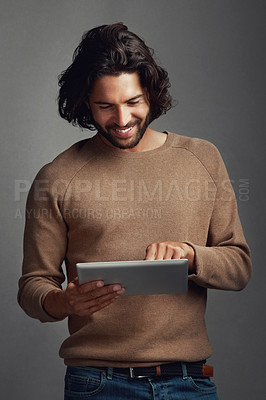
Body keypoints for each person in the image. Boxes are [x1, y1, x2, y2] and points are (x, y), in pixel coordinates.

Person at [18, 23, 252, 400]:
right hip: (95, 383)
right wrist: (63, 301)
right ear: (84, 104)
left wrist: (192, 256)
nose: (123, 120)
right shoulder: (56, 177)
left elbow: (239, 266)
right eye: (105, 106)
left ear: (152, 95)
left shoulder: (202, 159)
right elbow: (33, 284)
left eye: (133, 102)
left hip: (188, 381)